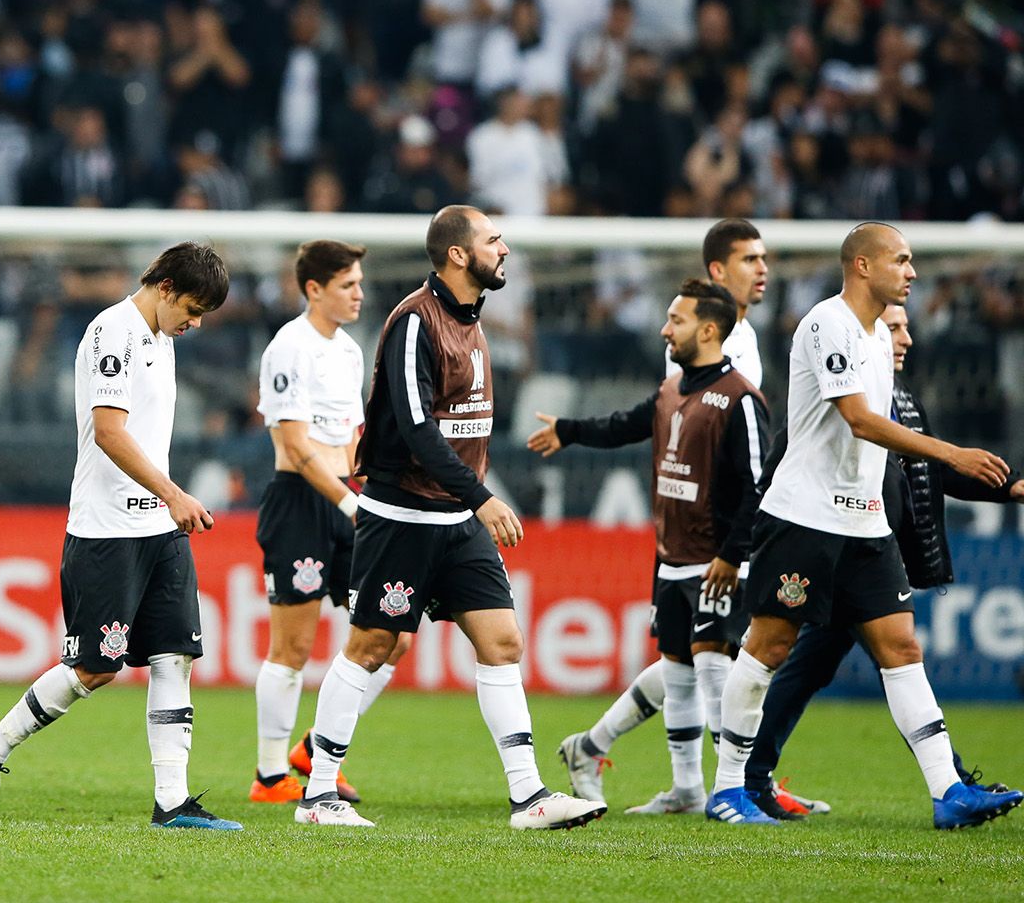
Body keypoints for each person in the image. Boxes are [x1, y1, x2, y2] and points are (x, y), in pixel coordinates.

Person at [295, 206, 603, 830]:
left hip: (455, 519)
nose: (505, 248)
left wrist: (470, 500)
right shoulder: (415, 321)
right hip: (403, 514)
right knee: (372, 645)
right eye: (493, 240)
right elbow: (416, 430)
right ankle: (318, 796)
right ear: (459, 255)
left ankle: (529, 798)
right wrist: (483, 497)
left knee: (503, 642)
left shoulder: (473, 323)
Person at [707, 223, 1021, 829]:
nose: (912, 273)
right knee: (769, 647)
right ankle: (727, 790)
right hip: (804, 516)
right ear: (861, 265)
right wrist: (950, 452)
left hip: (865, 523)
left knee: (901, 647)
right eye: (901, 261)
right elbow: (859, 420)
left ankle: (948, 790)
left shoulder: (879, 336)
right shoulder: (829, 323)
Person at [0, 243, 238, 830]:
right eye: (191, 307)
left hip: (158, 530)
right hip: (108, 530)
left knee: (175, 656)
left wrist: (166, 502)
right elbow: (109, 433)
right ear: (164, 287)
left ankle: (172, 803)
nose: (195, 322)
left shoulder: (162, 338)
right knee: (95, 668)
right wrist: (174, 493)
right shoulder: (113, 332)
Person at [529, 280, 768, 814]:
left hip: (717, 561)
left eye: (675, 321)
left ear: (708, 330)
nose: (665, 329)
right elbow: (628, 425)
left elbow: (759, 486)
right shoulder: (671, 390)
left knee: (712, 668)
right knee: (679, 671)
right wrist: (569, 431)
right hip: (671, 557)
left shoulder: (741, 400)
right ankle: (687, 790)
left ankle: (735, 789)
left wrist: (733, 554)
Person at [249, 240, 410, 806]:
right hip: (303, 504)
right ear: (314, 289)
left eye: (360, 283)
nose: (360, 294)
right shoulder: (288, 348)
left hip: (351, 499)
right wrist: (349, 504)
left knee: (393, 635)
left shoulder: (347, 349)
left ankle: (316, 750)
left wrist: (372, 494)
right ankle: (270, 777)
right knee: (292, 647)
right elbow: (295, 447)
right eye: (348, 285)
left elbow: (352, 436)